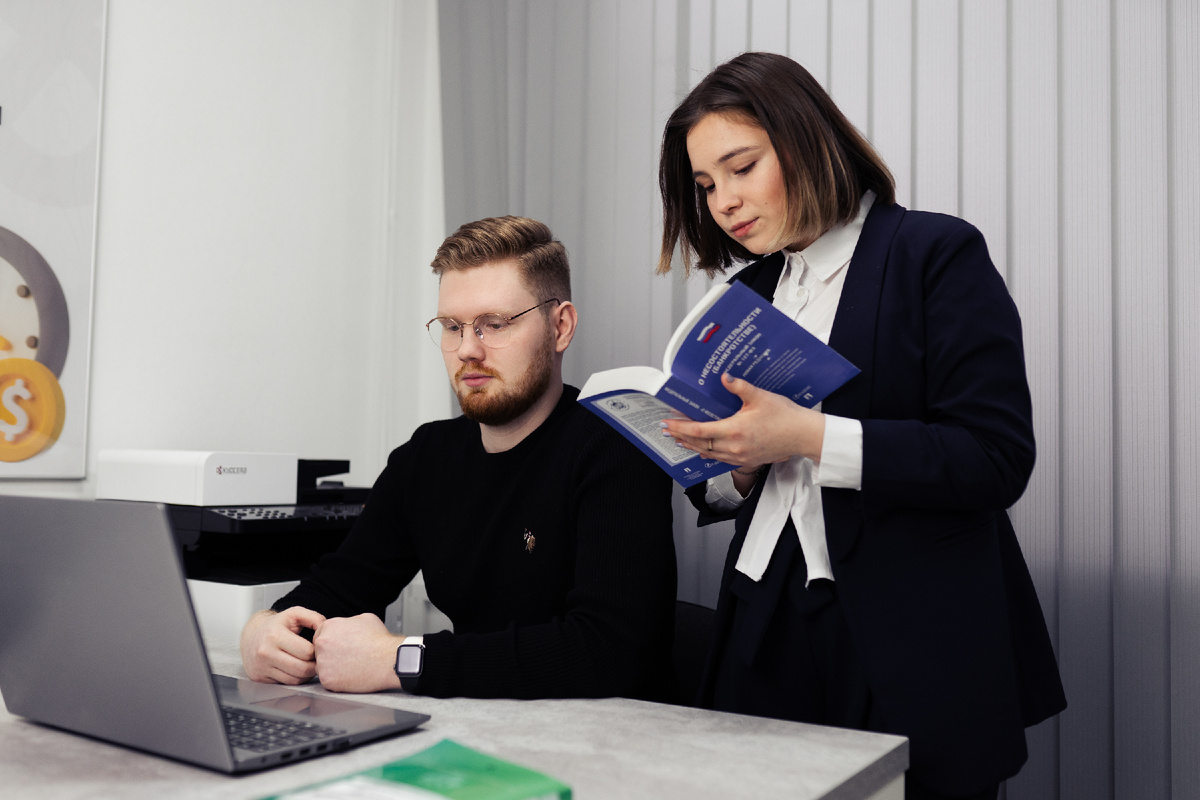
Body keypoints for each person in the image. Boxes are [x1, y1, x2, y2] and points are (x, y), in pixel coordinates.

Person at [656, 53, 1066, 800]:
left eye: (741, 168)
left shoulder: (932, 253)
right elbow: (730, 489)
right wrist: (737, 464)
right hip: (762, 616)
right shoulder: (750, 292)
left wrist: (807, 437)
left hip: (906, 630)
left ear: (807, 141)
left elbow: (995, 456)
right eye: (706, 185)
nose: (724, 202)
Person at [241, 215, 677, 701]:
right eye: (452, 327)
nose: (468, 349)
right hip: (476, 727)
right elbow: (339, 587)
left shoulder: (616, 445)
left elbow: (608, 653)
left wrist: (399, 658)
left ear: (561, 326)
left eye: (495, 324)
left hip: (602, 736)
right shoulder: (425, 457)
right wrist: (266, 629)